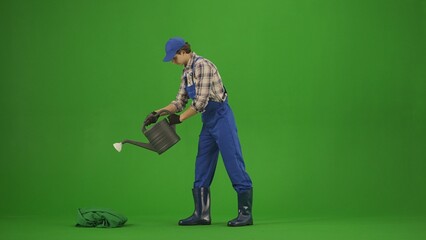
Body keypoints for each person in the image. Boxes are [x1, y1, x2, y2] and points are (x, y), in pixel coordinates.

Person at [144, 37, 253, 227]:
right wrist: (157, 112)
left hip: (221, 117)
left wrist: (179, 119)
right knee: (202, 162)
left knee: (233, 161)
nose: (172, 61)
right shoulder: (186, 72)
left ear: (183, 51)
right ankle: (201, 214)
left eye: (174, 57)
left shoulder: (203, 66)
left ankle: (245, 214)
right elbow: (179, 102)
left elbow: (200, 103)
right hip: (208, 122)